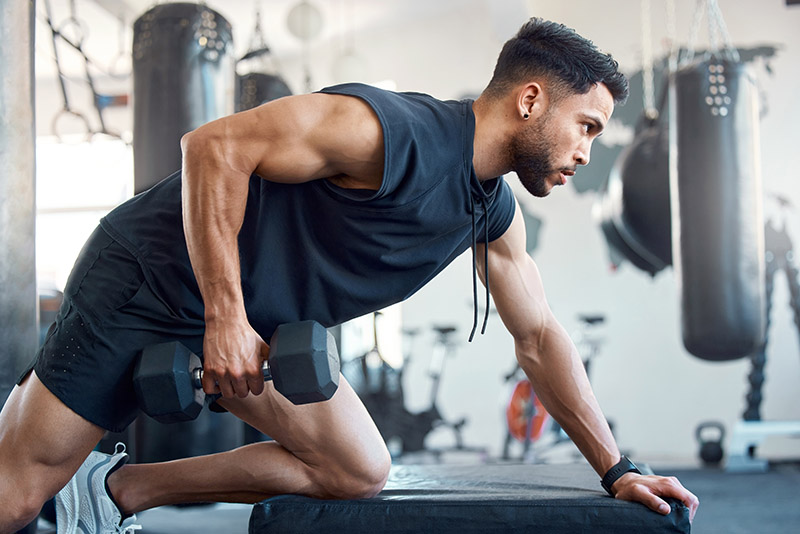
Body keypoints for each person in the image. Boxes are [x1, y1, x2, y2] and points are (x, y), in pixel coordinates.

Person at [0, 17, 699, 533]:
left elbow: (540, 338)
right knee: (14, 501)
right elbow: (212, 147)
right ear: (531, 100)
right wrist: (224, 318)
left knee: (357, 470)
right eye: (587, 126)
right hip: (146, 275)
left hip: (253, 322)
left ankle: (119, 489)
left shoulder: (490, 211)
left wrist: (618, 470)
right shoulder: (389, 130)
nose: (586, 151)